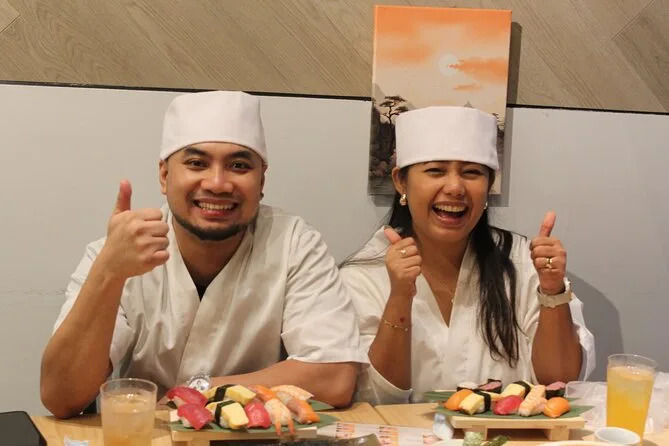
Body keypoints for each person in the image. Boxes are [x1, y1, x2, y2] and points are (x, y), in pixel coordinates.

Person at [40, 90, 366, 418]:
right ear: (165, 175)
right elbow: (61, 396)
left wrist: (197, 390)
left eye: (239, 166)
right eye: (197, 164)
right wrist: (109, 272)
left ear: (261, 180)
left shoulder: (293, 243)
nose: (217, 183)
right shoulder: (119, 252)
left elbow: (333, 376)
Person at [340, 106, 595, 404]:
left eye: (472, 173)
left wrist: (552, 291)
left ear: (489, 184)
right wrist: (399, 296)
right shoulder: (363, 275)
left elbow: (558, 383)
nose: (455, 187)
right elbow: (378, 398)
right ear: (400, 182)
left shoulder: (522, 262)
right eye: (435, 171)